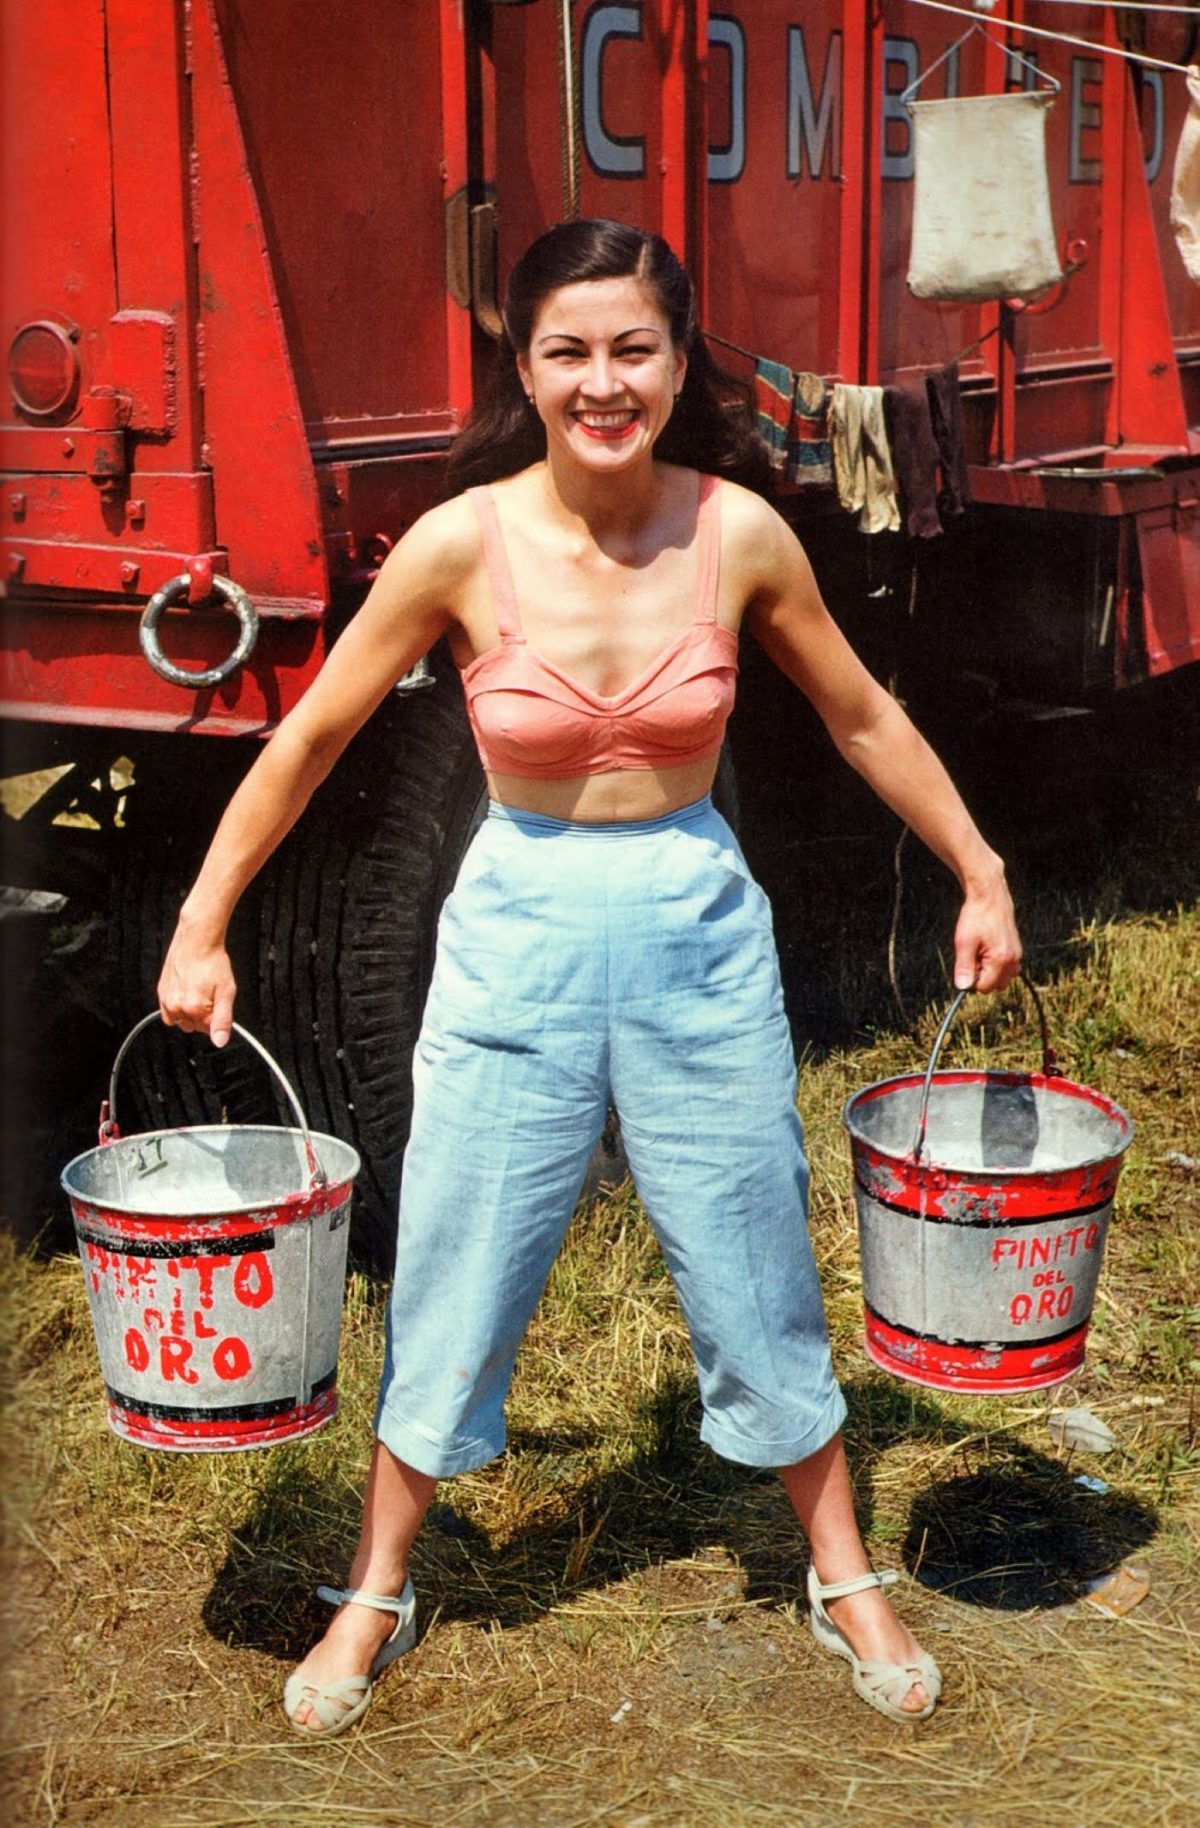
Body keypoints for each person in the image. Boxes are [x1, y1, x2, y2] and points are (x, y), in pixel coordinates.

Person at [159, 218, 1021, 1737]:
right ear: (525, 364)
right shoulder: (459, 543)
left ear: (681, 364)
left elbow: (865, 716)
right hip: (519, 935)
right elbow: (305, 742)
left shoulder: (738, 533)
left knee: (751, 1238)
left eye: (634, 348)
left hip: (695, 927)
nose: (603, 382)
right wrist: (203, 919)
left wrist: (982, 868)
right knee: (457, 1251)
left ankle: (840, 1570)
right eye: (570, 351)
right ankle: (376, 1585)